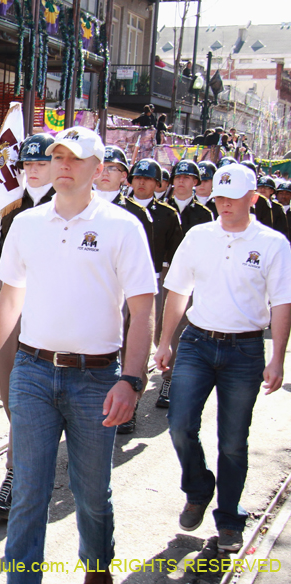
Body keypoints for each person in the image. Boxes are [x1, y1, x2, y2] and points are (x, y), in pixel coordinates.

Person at [0, 126, 157, 584]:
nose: (65, 167)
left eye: (75, 159)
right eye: (58, 158)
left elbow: (142, 309)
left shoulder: (122, 227)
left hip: (97, 379)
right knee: (29, 492)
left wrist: (132, 380)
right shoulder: (26, 224)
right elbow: (9, 300)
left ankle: (98, 569)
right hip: (33, 372)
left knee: (92, 494)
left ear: (98, 167)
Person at [154, 164, 291, 554]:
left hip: (245, 350)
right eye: (219, 198)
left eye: (233, 198)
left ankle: (229, 520)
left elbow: (282, 302)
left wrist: (277, 356)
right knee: (179, 425)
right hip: (197, 343)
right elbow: (177, 290)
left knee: (233, 440)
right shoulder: (198, 236)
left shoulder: (273, 244)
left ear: (253, 199)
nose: (224, 204)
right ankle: (198, 487)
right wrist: (164, 342)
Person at [0, 133, 57, 519]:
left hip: (53, 321)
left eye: (42, 164)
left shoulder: (67, 208)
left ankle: (15, 475)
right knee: (13, 400)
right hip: (10, 316)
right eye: (28, 165)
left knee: (31, 404)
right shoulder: (9, 207)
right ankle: (27, 461)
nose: (34, 172)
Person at [126, 158, 183, 433]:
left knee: (141, 344)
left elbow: (175, 257)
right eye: (137, 177)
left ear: (157, 183)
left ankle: (132, 405)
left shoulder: (168, 214)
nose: (141, 182)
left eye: (148, 179)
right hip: (118, 283)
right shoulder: (118, 209)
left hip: (152, 284)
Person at [156, 160, 214, 408]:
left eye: (188, 178)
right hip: (161, 272)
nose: (181, 181)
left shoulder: (204, 213)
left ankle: (170, 378)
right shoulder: (162, 208)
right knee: (156, 325)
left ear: (195, 183)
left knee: (178, 326)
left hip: (188, 277)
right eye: (178, 177)